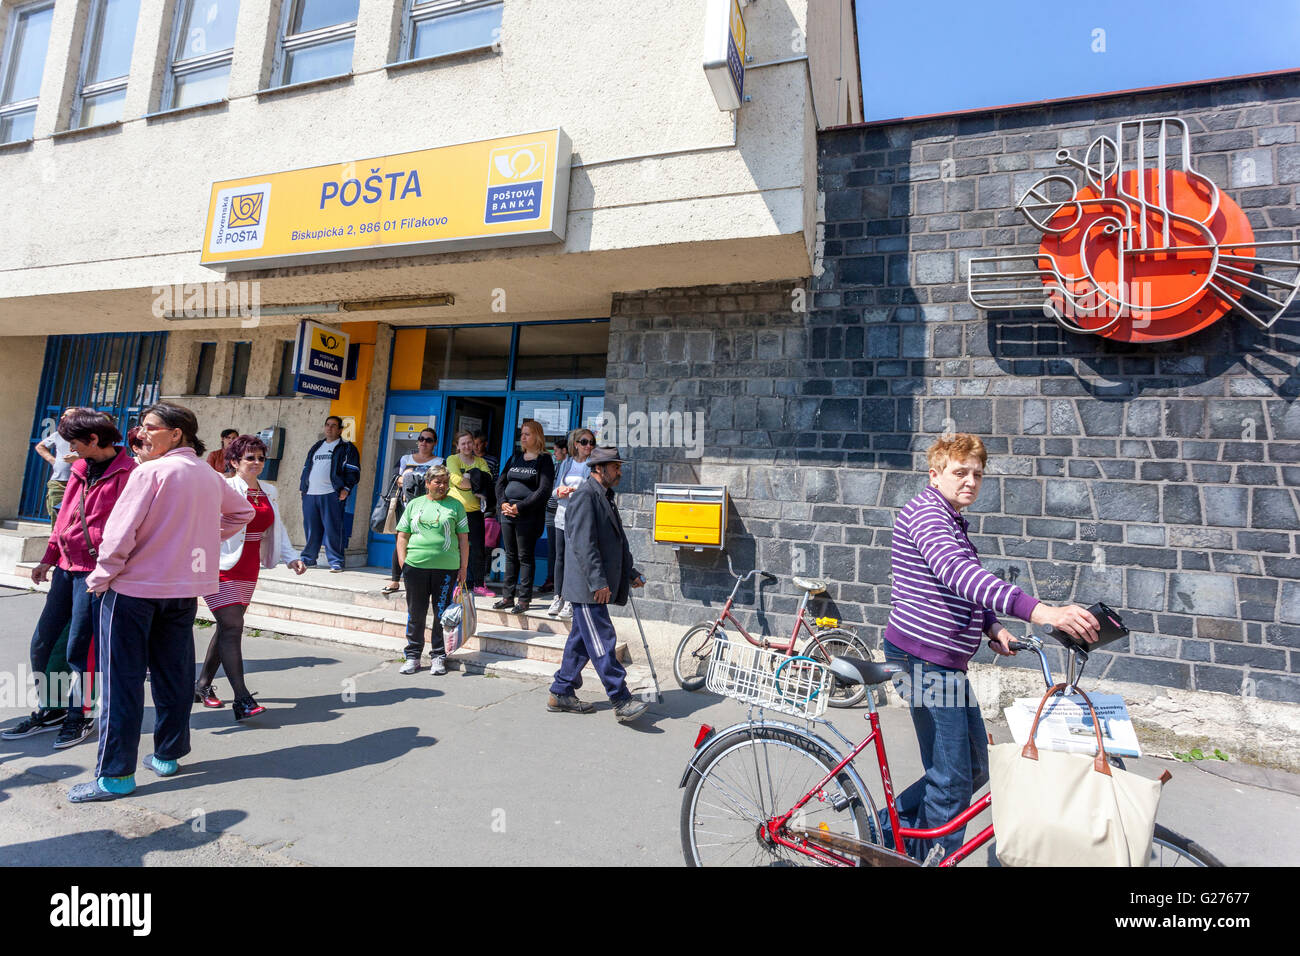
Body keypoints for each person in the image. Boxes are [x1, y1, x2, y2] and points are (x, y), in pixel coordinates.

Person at [880, 433, 1100, 860]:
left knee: (976, 767)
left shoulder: (950, 519)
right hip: (922, 659)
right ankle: (926, 854)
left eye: (977, 474)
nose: (971, 481)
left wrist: (990, 625)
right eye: (960, 472)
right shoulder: (928, 516)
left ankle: (880, 838)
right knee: (950, 780)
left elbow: (955, 588)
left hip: (943, 663)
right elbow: (959, 575)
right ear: (935, 473)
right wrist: (1042, 612)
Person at [69, 403, 254, 803]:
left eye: (150, 427)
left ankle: (115, 776)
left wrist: (100, 577)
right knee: (172, 678)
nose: (141, 433)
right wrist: (201, 537)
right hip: (182, 591)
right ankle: (167, 756)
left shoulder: (150, 472)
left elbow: (120, 535)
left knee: (123, 684)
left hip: (134, 591)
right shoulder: (207, 473)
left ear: (175, 434)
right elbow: (243, 511)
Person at [2, 411, 135, 749]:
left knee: (81, 650)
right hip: (65, 567)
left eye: (75, 442)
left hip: (96, 573)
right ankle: (54, 710)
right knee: (42, 644)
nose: (70, 449)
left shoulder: (129, 473)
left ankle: (81, 716)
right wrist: (48, 558)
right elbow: (64, 518)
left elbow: (131, 528)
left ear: (93, 440)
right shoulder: (78, 468)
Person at [196, 435, 307, 719]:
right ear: (234, 462)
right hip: (219, 564)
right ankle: (242, 699)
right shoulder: (223, 486)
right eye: (250, 458)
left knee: (227, 628)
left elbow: (276, 527)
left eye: (260, 458)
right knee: (233, 625)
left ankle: (202, 685)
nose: (256, 463)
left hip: (248, 567)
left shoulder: (268, 491)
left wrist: (291, 556)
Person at [547, 446, 648, 722]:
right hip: (588, 588)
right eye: (615, 467)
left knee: (581, 641)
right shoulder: (585, 497)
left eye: (619, 466)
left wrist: (630, 572)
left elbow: (615, 543)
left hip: (595, 585)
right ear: (599, 468)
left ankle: (561, 691)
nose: (619, 471)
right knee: (603, 640)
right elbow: (583, 545)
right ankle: (621, 698)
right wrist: (597, 582)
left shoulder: (605, 496)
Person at [395, 466, 468, 676]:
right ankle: (413, 656)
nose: (442, 486)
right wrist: (403, 563)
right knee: (416, 613)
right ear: (427, 483)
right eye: (437, 482)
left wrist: (463, 568)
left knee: (441, 614)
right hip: (415, 567)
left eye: (445, 482)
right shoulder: (415, 504)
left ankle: (438, 656)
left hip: (446, 569)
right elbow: (402, 535)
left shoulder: (456, 506)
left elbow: (463, 539)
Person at [493, 420, 554, 614]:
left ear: (537, 436)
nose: (523, 437)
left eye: (527, 434)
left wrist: (519, 507)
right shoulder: (515, 457)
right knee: (510, 556)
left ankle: (524, 599)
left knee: (524, 556)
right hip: (507, 513)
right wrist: (503, 502)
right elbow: (500, 483)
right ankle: (507, 597)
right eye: (522, 434)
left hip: (527, 515)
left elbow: (543, 490)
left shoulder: (544, 460)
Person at [382, 427, 443, 594]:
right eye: (421, 439)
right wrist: (413, 479)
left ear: (434, 443)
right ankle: (395, 581)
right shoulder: (405, 458)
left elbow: (438, 483)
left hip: (427, 509)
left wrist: (410, 477)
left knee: (422, 543)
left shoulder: (439, 461)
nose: (424, 442)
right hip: (404, 507)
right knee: (401, 543)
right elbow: (396, 479)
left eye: (428, 440)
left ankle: (417, 583)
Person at [299, 415, 361, 572]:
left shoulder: (347, 448)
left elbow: (353, 472)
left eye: (334, 425)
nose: (329, 428)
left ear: (340, 430)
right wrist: (303, 488)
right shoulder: (316, 446)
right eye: (327, 425)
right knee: (311, 528)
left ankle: (336, 561)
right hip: (311, 494)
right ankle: (309, 559)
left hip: (331, 494)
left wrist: (346, 489)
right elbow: (307, 467)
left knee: (333, 528)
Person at [546, 428, 595, 621]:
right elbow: (554, 489)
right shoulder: (566, 463)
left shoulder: (592, 466)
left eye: (592, 442)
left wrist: (573, 491)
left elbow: (592, 491)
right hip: (562, 513)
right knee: (560, 557)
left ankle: (571, 600)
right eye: (584, 442)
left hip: (580, 516)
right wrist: (560, 491)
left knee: (575, 558)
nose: (588, 446)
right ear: (576, 444)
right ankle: (558, 596)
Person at [446, 429, 493, 597]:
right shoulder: (452, 459)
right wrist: (475, 479)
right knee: (456, 547)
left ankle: (479, 583)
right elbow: (458, 482)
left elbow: (488, 480)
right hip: (455, 511)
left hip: (475, 512)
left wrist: (470, 477)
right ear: (457, 446)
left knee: (477, 549)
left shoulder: (480, 461)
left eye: (469, 442)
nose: (467, 446)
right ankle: (458, 582)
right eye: (463, 443)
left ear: (473, 443)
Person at [34, 407, 89, 518]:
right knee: (56, 518)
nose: (63, 417)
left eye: (67, 415)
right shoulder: (58, 434)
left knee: (74, 519)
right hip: (58, 483)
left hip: (79, 483)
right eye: (63, 415)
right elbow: (40, 447)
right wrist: (54, 461)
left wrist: (78, 458)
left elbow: (96, 456)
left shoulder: (87, 437)